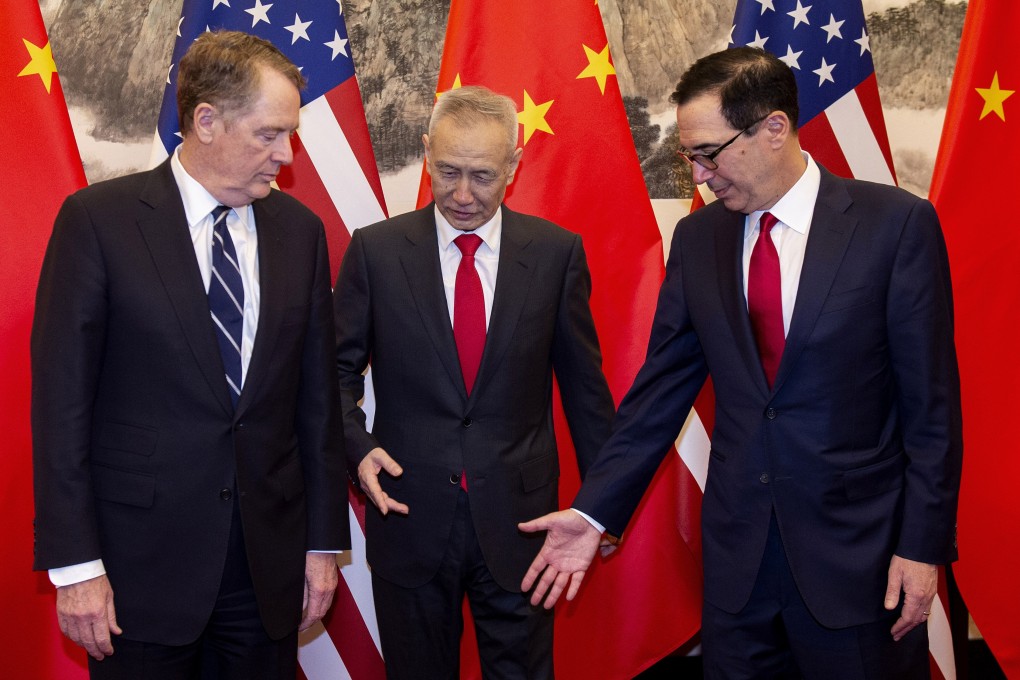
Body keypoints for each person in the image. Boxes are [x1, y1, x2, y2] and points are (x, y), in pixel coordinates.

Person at [519, 47, 962, 679]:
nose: (698, 175)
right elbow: (659, 393)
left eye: (709, 152)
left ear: (774, 128)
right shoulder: (700, 240)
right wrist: (594, 512)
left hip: (860, 560)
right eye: (689, 156)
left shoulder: (894, 227)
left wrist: (922, 548)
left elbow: (932, 413)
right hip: (739, 565)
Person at [31, 30, 350, 678]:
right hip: (136, 575)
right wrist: (76, 569)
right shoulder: (99, 223)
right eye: (269, 134)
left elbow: (316, 405)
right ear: (206, 120)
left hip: (265, 572)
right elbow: (61, 405)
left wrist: (323, 545)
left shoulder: (301, 233)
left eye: (290, 134)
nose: (285, 156)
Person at [333, 85, 615, 679]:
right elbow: (331, 376)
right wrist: (357, 450)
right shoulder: (377, 253)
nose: (463, 195)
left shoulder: (556, 254)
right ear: (427, 151)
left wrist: (600, 506)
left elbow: (586, 392)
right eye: (448, 171)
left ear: (514, 166)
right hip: (408, 519)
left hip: (523, 525)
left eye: (483, 176)